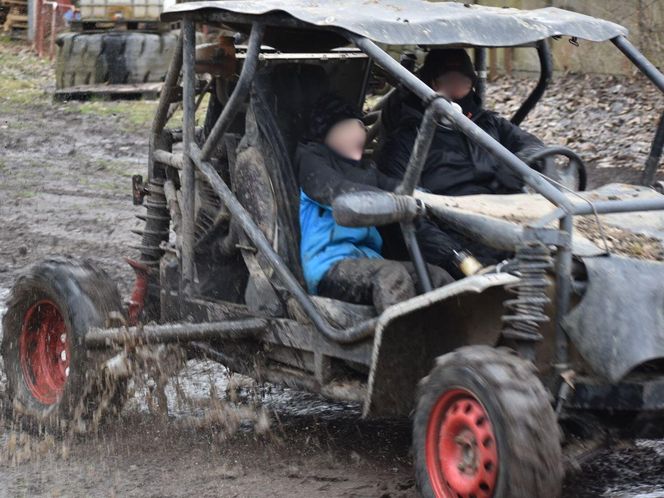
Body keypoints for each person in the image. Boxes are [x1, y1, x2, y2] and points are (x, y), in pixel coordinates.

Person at [377, 48, 547, 274]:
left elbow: (534, 148)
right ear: (431, 83)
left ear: (472, 83)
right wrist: (458, 258)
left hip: (508, 225)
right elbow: (402, 213)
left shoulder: (489, 124)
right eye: (448, 80)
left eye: (463, 80)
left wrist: (514, 169)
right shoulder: (405, 142)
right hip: (453, 239)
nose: (456, 86)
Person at [297, 94, 452, 313]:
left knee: (436, 276)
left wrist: (432, 201)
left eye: (362, 126)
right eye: (351, 127)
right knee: (392, 277)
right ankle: (403, 345)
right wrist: (396, 202)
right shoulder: (312, 161)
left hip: (370, 261)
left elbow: (400, 188)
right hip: (329, 267)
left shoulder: (366, 171)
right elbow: (338, 193)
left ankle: (454, 339)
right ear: (327, 132)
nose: (360, 132)